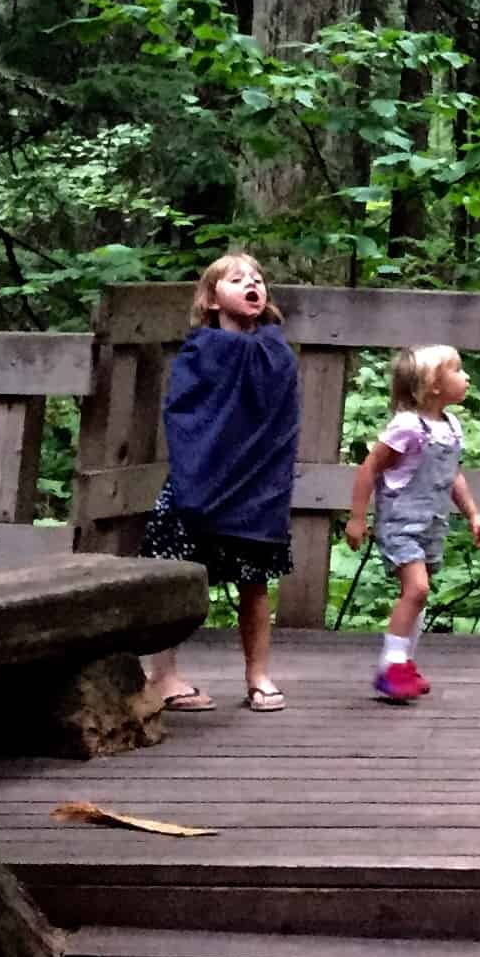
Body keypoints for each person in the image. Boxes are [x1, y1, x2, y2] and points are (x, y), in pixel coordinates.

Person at [139, 251, 301, 712]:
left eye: (257, 279)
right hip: (200, 478)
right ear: (211, 299)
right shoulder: (200, 351)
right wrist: (200, 468)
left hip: (256, 486)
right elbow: (187, 413)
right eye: (237, 279)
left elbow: (281, 421)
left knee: (255, 582)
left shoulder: (276, 353)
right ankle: (163, 675)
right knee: (170, 572)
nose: (252, 284)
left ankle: (258, 676)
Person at [346, 343, 480, 703]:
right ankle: (391, 667)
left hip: (432, 522)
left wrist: (473, 514)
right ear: (434, 384)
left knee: (418, 598)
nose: (466, 376)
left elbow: (451, 474)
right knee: (417, 590)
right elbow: (370, 467)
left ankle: (405, 663)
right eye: (457, 370)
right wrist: (357, 517)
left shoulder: (450, 426)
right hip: (400, 522)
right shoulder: (407, 426)